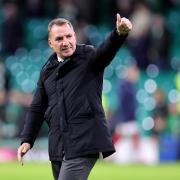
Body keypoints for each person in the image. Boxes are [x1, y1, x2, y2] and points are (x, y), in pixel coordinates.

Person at [17, 13, 132, 180]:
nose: (66, 42)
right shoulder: (47, 71)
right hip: (58, 146)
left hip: (84, 142)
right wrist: (27, 139)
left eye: (69, 36)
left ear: (75, 36)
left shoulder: (88, 56)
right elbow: (37, 108)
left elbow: (106, 52)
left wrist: (118, 34)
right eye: (59, 38)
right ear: (50, 43)